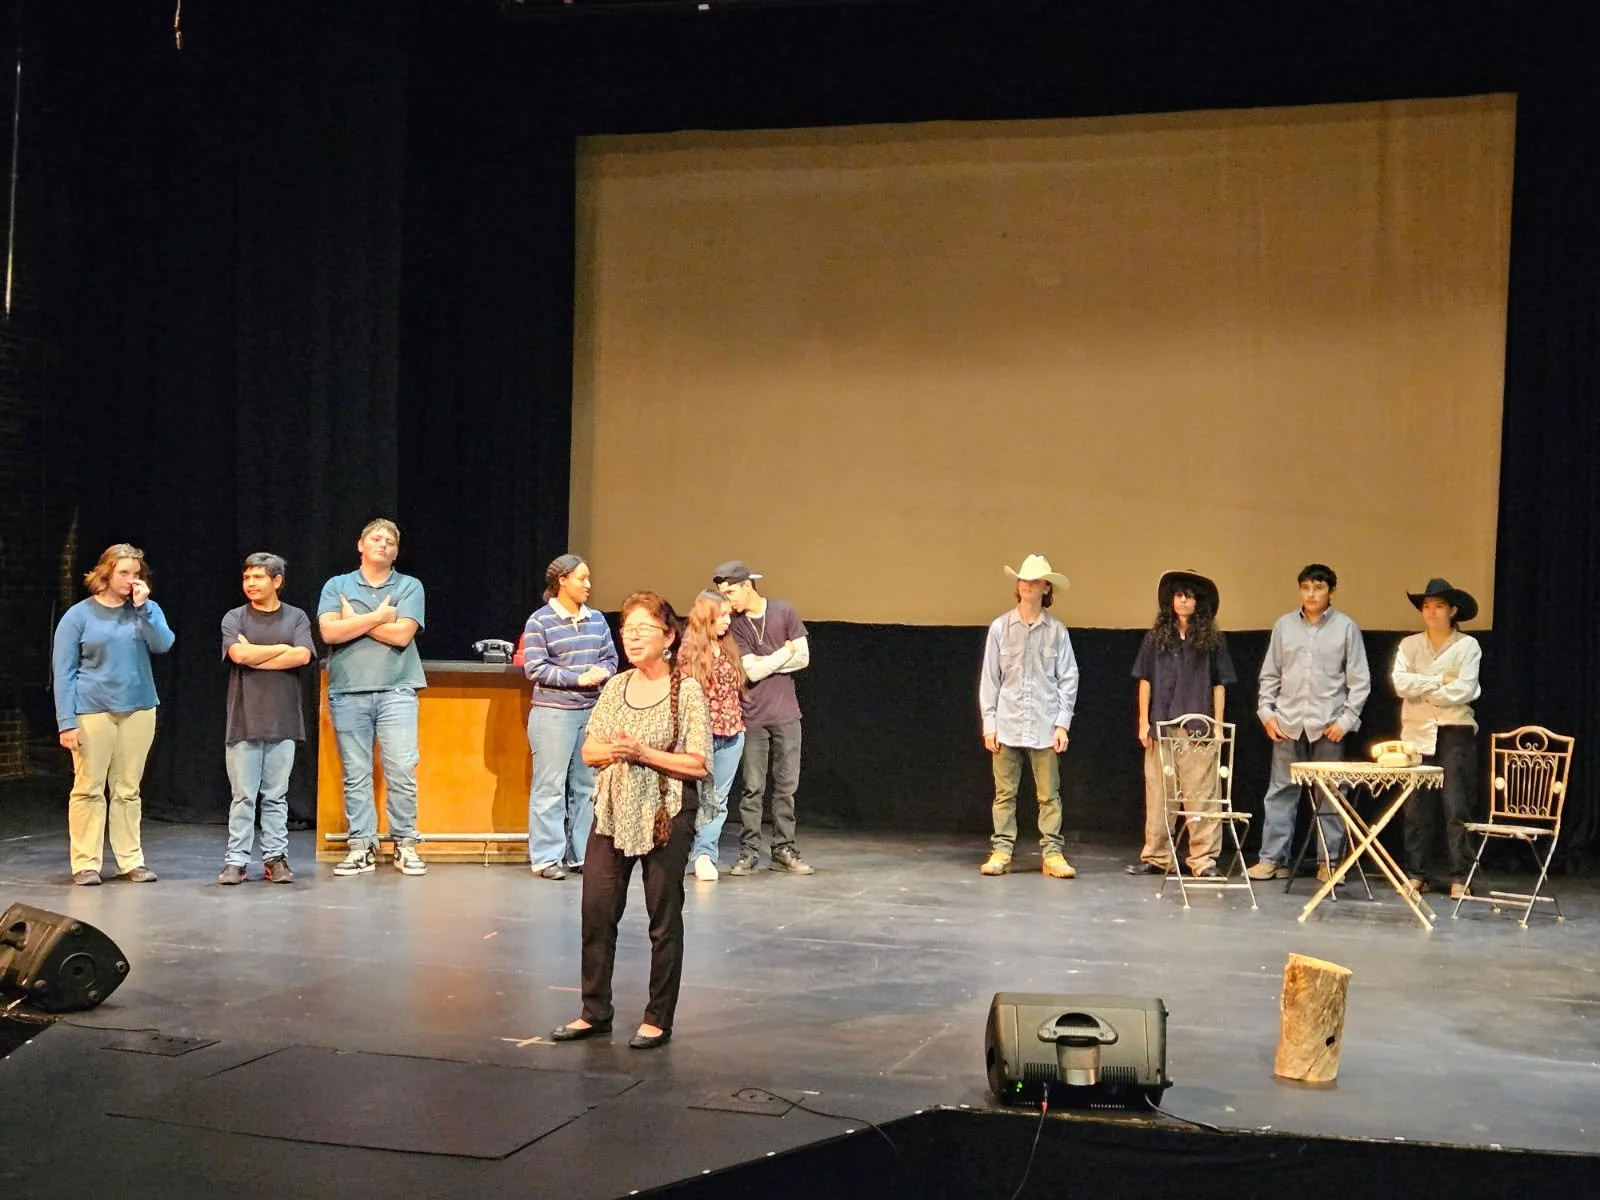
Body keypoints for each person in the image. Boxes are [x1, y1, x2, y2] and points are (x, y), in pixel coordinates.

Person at [550, 592, 709, 1050]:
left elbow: (697, 762)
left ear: (670, 637)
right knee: (596, 913)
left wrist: (642, 753)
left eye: (644, 629)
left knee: (663, 919)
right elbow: (590, 750)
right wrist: (617, 751)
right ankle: (594, 1010)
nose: (633, 637)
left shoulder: (686, 690)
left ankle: (658, 1017)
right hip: (613, 813)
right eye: (627, 629)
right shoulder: (616, 687)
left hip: (665, 814)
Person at [51, 543, 176, 886]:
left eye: (136, 574)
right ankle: (86, 863)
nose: (131, 580)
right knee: (89, 788)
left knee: (128, 789)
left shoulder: (145, 610)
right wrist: (67, 722)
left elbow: (163, 644)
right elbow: (63, 672)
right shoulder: (79, 615)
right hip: (93, 710)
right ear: (106, 574)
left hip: (138, 708)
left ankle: (130, 860)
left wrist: (145, 608)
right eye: (124, 573)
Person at [317, 518, 428, 878]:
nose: (383, 544)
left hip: (396, 689)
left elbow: (402, 636)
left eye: (390, 541)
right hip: (348, 690)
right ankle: (361, 846)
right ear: (360, 545)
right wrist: (380, 616)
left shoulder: (409, 585)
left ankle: (405, 844)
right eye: (376, 539)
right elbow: (330, 632)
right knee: (356, 773)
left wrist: (360, 620)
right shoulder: (338, 585)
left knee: (401, 769)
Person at [1248, 564, 1372, 882]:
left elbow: (1359, 680)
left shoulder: (1346, 628)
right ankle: (1273, 859)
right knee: (1280, 791)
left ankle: (1329, 862)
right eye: (1306, 587)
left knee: (1330, 793)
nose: (1311, 594)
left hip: (1328, 722)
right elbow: (1270, 674)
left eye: (1318, 587)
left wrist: (1347, 720)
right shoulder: (1284, 626)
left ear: (1331, 590)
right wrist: (1267, 713)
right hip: (1288, 720)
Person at [1126, 569, 1236, 879]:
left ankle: (1203, 861)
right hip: (1162, 724)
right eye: (1178, 595)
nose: (1183, 600)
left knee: (1202, 795)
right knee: (1160, 794)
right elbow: (1145, 679)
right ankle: (1157, 857)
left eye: (1189, 595)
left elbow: (1219, 684)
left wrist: (1217, 725)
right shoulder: (1156, 638)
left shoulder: (1212, 640)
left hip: (1198, 726)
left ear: (1198, 602)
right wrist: (1142, 721)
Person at [978, 554, 1080, 879]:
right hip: (1007, 721)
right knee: (1004, 793)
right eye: (1022, 580)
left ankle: (1052, 853)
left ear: (1045, 587)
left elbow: (1068, 677)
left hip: (1044, 724)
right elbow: (989, 679)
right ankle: (1002, 850)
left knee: (1049, 794)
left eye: (1033, 581)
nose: (1026, 586)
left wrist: (1062, 723)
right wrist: (989, 724)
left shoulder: (1056, 631)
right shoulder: (1000, 628)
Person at [217, 553, 316, 885]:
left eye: (258, 578)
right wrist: (280, 650)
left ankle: (276, 858)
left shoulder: (296, 617)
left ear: (277, 581)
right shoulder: (235, 617)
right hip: (244, 719)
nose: (250, 584)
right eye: (246, 578)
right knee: (243, 795)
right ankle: (236, 860)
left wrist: (257, 654)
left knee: (276, 795)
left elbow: (302, 655)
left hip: (283, 719)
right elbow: (238, 654)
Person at [713, 561, 814, 875]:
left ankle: (784, 849)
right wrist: (784, 653)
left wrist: (768, 661)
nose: (727, 600)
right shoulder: (738, 625)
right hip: (753, 715)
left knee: (786, 787)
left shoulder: (784, 612)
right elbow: (752, 670)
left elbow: (804, 657)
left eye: (730, 592)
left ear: (747, 585)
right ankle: (749, 851)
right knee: (752, 787)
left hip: (786, 714)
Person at [523, 553, 619, 880]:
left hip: (591, 712)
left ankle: (581, 854)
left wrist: (601, 673)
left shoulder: (597, 620)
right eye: (582, 578)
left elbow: (610, 658)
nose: (588, 585)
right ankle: (547, 857)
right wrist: (578, 678)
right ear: (562, 581)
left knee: (586, 784)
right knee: (550, 786)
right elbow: (535, 668)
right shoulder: (540, 621)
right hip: (554, 713)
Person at [1392, 578, 1483, 899]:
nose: (1431, 612)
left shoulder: (1467, 646)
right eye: (1427, 606)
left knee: (1456, 805)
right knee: (1416, 806)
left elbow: (1465, 689)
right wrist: (1439, 681)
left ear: (1452, 610)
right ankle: (1417, 873)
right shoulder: (1409, 646)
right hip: (1417, 733)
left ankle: (1461, 875)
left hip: (1454, 730)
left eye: (1439, 606)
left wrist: (1424, 685)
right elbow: (1401, 683)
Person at [679, 590, 746, 882]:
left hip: (732, 732)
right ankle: (680, 851)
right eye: (723, 616)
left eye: (729, 615)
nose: (727, 622)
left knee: (718, 799)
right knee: (694, 797)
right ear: (708, 616)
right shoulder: (689, 651)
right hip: (701, 735)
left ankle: (705, 854)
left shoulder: (728, 646)